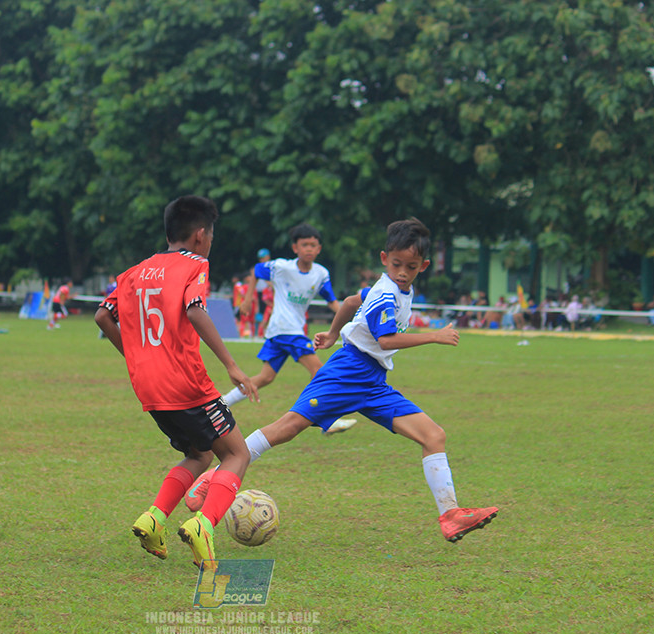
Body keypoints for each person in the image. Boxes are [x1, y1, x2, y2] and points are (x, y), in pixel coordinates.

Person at [189, 219, 498, 544]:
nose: (403, 272)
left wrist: (334, 333)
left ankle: (450, 516)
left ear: (424, 265)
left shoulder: (397, 289)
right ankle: (214, 477)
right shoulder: (385, 294)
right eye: (396, 265)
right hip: (346, 373)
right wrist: (434, 335)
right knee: (288, 428)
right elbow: (387, 340)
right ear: (384, 258)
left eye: (411, 266)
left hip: (373, 382)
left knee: (434, 436)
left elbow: (352, 301)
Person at [94, 195, 259, 569]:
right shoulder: (196, 264)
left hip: (148, 386)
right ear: (200, 235)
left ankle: (153, 518)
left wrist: (136, 357)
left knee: (198, 454)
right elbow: (195, 309)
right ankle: (203, 525)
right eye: (212, 235)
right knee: (236, 454)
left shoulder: (135, 271)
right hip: (185, 383)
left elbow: (103, 316)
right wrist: (232, 365)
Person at [221, 224, 355, 434]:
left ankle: (221, 403)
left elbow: (332, 301)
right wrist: (247, 300)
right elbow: (257, 270)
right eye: (304, 245)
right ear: (295, 248)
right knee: (319, 371)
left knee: (265, 378)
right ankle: (325, 420)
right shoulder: (283, 267)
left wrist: (351, 321)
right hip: (286, 329)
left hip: (282, 332)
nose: (309, 249)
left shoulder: (321, 273)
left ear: (319, 249)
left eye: (313, 245)